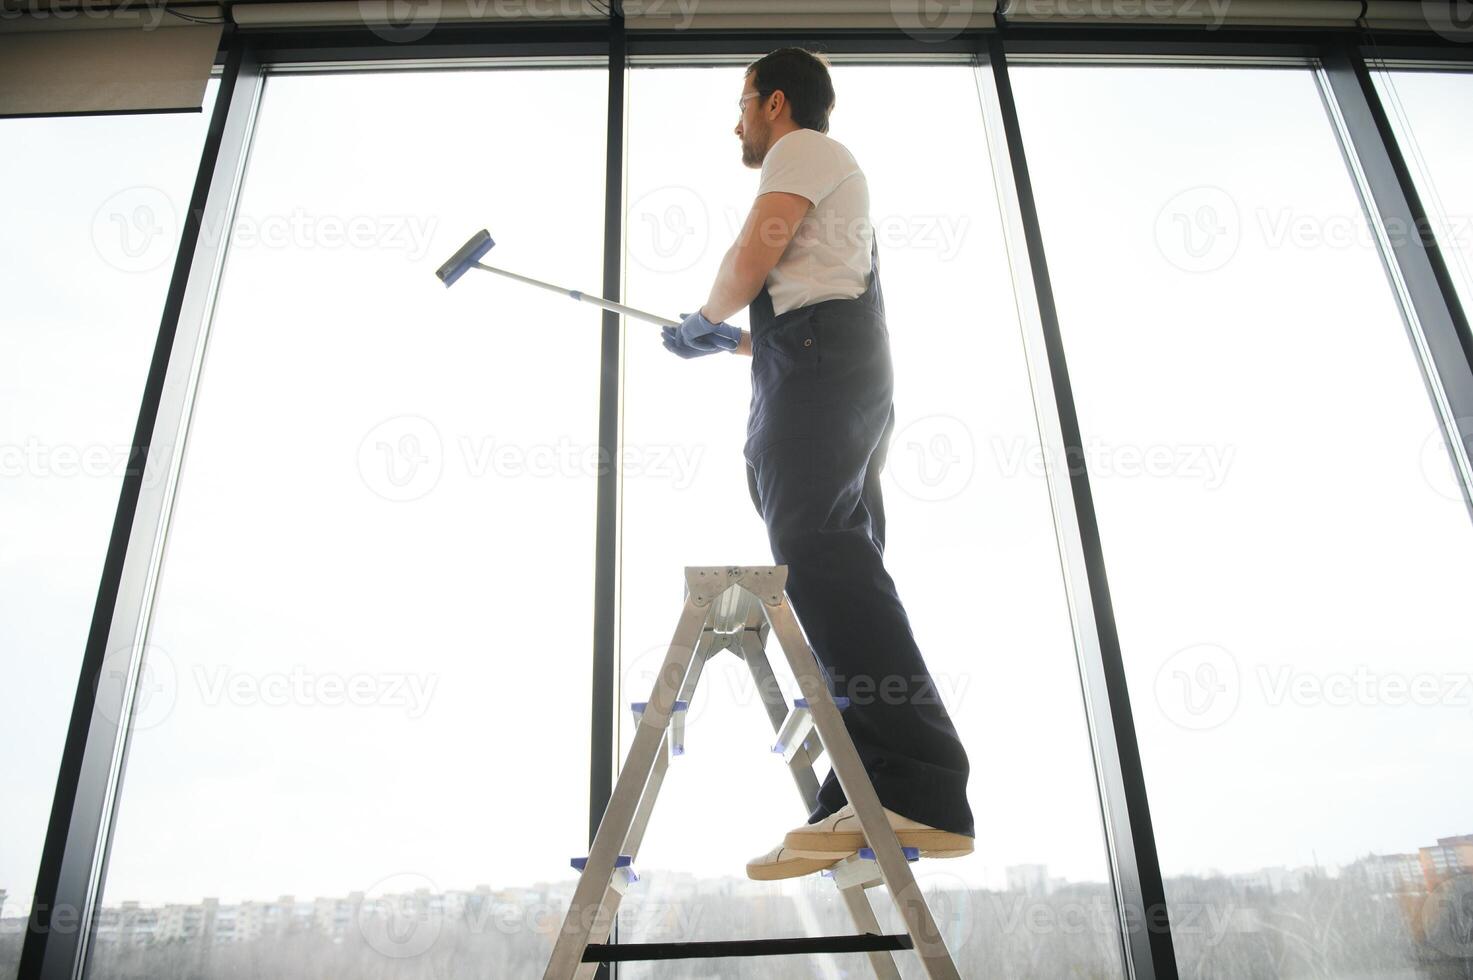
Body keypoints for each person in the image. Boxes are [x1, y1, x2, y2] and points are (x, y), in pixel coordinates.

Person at [661, 47, 975, 881]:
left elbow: (757, 251)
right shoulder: (824, 174)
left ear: (773, 101)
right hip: (814, 364)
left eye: (740, 106)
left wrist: (705, 309)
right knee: (829, 571)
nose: (737, 123)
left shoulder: (803, 148)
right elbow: (805, 292)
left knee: (822, 558)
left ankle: (924, 786)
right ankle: (863, 790)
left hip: (820, 370)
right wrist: (728, 337)